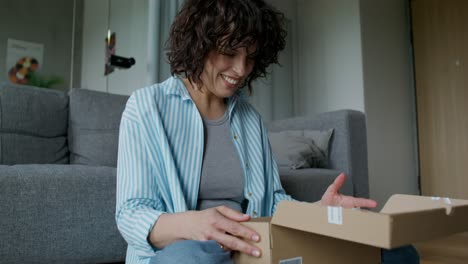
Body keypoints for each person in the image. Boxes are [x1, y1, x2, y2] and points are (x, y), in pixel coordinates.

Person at [115, 0, 418, 263]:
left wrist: (318, 211)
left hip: (253, 247)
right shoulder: (147, 108)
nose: (241, 70)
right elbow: (130, 214)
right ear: (199, 41)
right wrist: (193, 225)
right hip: (188, 251)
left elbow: (272, 202)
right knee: (196, 257)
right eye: (229, 52)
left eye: (250, 58)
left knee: (398, 251)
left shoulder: (249, 118)